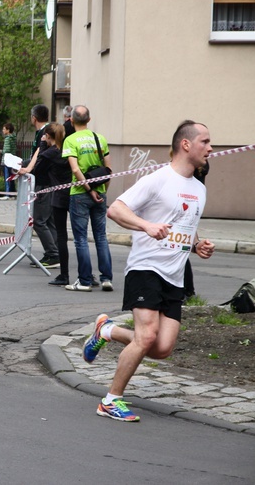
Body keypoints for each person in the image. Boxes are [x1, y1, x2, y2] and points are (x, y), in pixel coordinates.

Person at [84, 120, 215, 422]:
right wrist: (146, 225)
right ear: (186, 144)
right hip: (146, 268)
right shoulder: (158, 179)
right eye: (205, 142)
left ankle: (107, 330)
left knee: (162, 348)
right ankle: (110, 400)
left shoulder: (198, 188)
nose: (210, 148)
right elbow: (116, 209)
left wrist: (198, 246)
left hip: (174, 274)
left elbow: (184, 229)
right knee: (146, 337)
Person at [62, 105, 113, 291]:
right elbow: (108, 171)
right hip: (100, 192)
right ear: (89, 120)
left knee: (81, 238)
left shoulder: (70, 140)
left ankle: (84, 281)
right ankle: (107, 278)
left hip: (79, 194)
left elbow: (75, 169)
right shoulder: (100, 139)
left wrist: (88, 190)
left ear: (72, 120)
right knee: (101, 236)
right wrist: (101, 190)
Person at [19, 105, 59, 268]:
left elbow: (39, 155)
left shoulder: (45, 133)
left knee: (39, 221)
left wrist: (28, 167)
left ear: (33, 117)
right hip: (46, 182)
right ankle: (53, 253)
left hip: (44, 182)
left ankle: (53, 254)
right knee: (49, 221)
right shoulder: (43, 132)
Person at [39, 123, 72, 285]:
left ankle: (64, 275)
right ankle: (87, 275)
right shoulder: (68, 150)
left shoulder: (50, 153)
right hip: (74, 194)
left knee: (61, 236)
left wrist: (43, 145)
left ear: (48, 136)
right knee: (79, 238)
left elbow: (38, 168)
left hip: (58, 197)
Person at [184, 159, 210, 297]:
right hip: (193, 204)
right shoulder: (202, 164)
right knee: (182, 247)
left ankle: (188, 291)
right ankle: (188, 291)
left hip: (187, 203)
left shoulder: (196, 164)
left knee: (181, 248)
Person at [0, 123, 17, 194]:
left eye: (4, 129)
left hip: (6, 160)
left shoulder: (7, 139)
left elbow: (7, 150)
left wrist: (1, 151)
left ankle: (7, 193)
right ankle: (13, 193)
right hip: (12, 160)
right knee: (12, 177)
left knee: (7, 177)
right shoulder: (13, 138)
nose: (3, 130)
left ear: (8, 130)